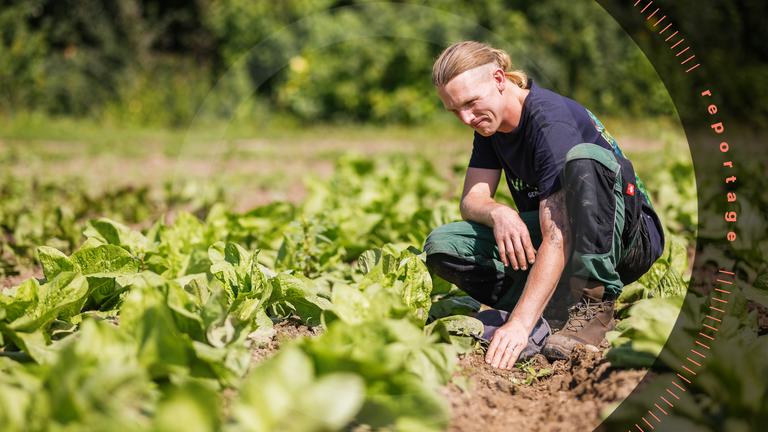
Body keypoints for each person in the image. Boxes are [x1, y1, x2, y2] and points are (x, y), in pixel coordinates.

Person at [424, 41, 664, 370]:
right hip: (563, 236)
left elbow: (558, 233)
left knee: (584, 162)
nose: (466, 117)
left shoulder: (550, 122)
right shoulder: (488, 124)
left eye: (470, 103)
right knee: (445, 245)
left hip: (628, 238)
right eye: (454, 110)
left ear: (498, 79)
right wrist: (499, 212)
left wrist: (519, 325)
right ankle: (553, 306)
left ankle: (593, 302)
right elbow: (472, 199)